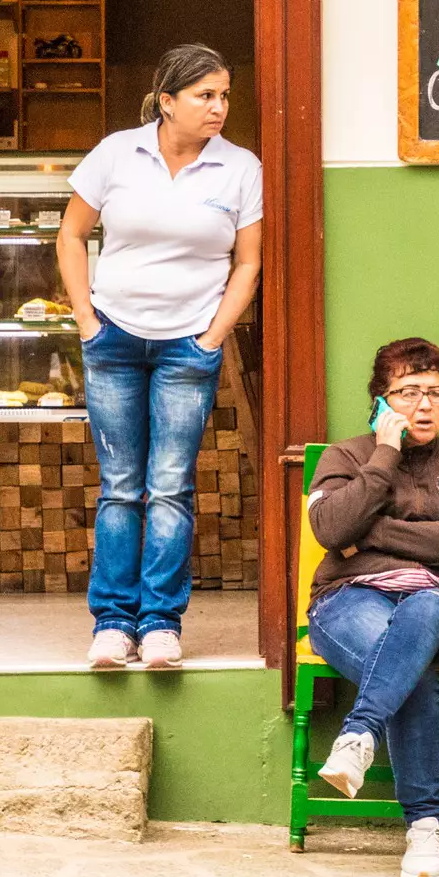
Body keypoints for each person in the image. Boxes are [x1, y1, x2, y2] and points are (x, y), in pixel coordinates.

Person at [58, 43, 262, 669]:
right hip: (113, 338)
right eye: (205, 95)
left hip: (187, 346)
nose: (219, 107)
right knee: (121, 488)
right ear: (167, 100)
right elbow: (71, 234)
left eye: (225, 95)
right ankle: (113, 625)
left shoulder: (240, 167)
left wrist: (212, 337)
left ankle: (162, 625)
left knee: (170, 487)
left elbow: (248, 260)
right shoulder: (118, 152)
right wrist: (87, 319)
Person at [305, 337, 439, 877]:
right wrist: (385, 457)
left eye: (434, 392)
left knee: (424, 608)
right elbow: (332, 529)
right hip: (348, 598)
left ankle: (359, 733)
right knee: (413, 671)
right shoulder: (347, 456)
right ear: (380, 400)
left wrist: (372, 533)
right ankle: (427, 827)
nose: (424, 405)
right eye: (407, 392)